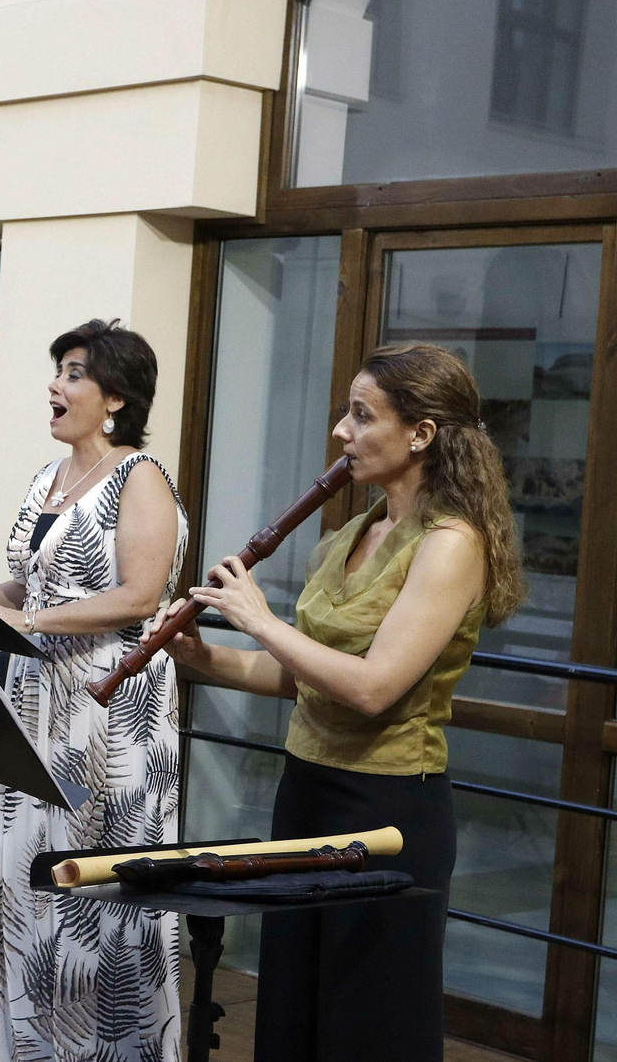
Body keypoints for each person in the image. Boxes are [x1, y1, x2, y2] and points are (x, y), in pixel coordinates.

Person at [150, 343, 524, 1062]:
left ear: (421, 433)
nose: (340, 433)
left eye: (360, 416)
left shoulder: (451, 544)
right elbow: (303, 679)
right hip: (307, 791)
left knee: (368, 1024)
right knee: (294, 1009)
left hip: (386, 809)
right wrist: (206, 658)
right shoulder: (353, 532)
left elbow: (375, 688)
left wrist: (259, 619)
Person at [0, 319, 187, 1061]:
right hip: (36, 697)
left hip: (111, 701)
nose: (54, 387)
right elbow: (22, 582)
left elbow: (139, 595)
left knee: (98, 886)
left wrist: (28, 617)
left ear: (117, 400)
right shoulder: (47, 478)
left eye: (72, 373)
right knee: (28, 881)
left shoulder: (141, 476)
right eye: (58, 371)